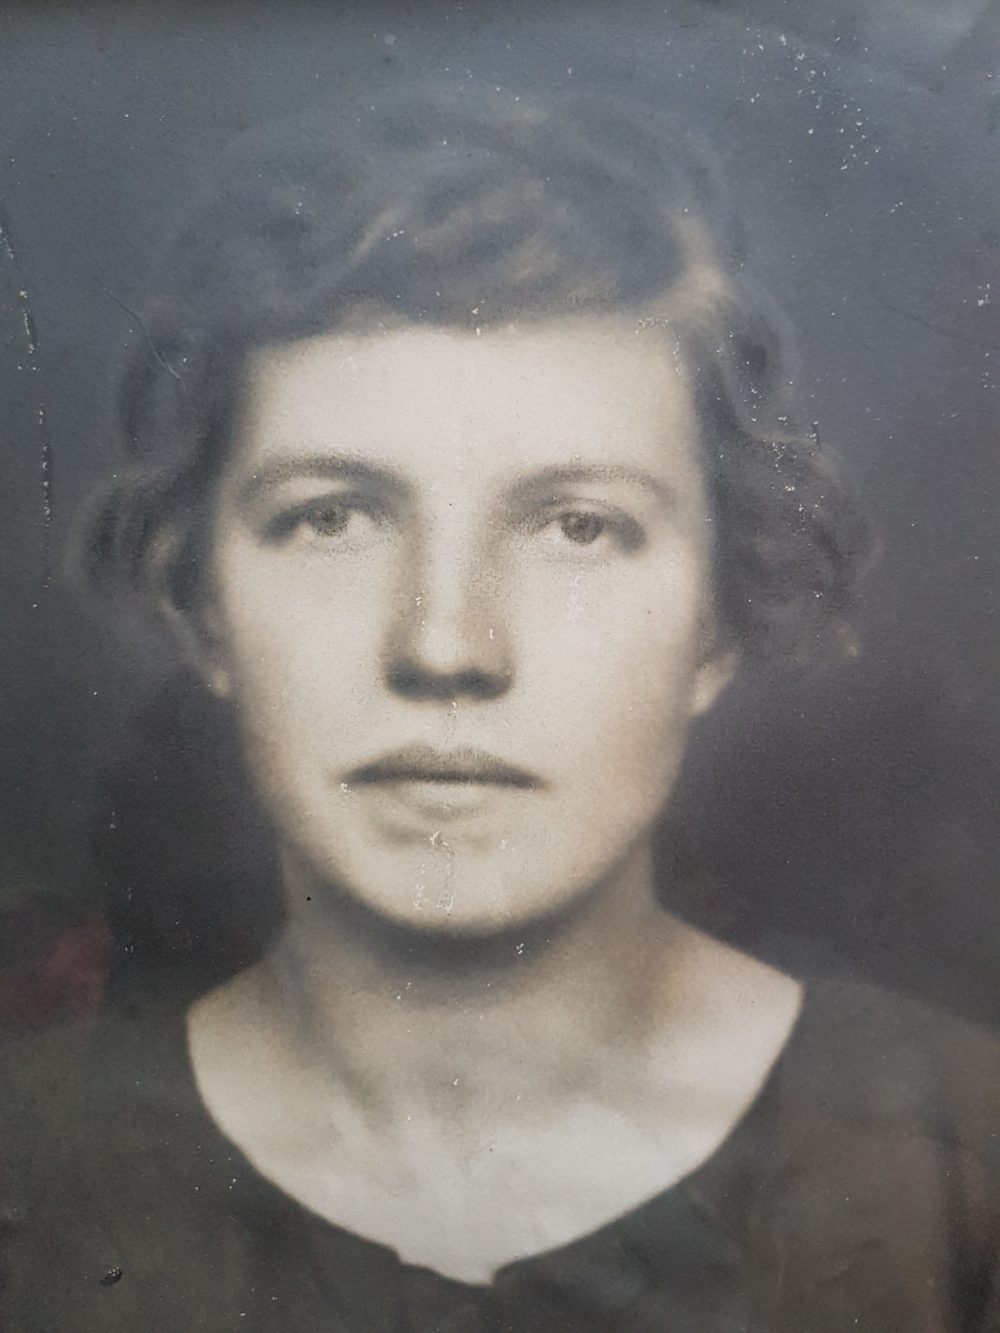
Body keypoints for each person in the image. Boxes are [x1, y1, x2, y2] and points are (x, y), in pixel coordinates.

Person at [4, 82, 999, 1331]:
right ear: (204, 606)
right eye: (332, 517)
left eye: (578, 526)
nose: (445, 646)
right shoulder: (28, 1170)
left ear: (715, 623)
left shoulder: (959, 1158)